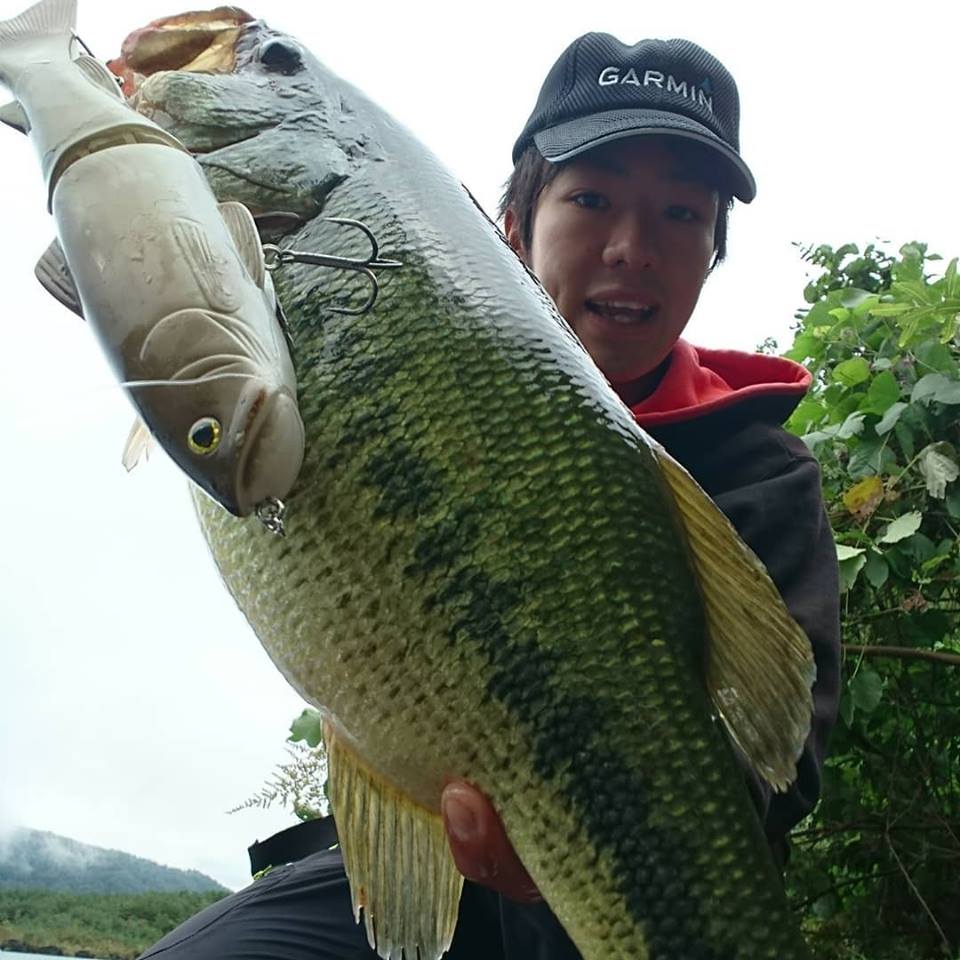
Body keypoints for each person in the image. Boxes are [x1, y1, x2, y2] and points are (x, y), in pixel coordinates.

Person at [139, 33, 840, 960]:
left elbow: (773, 772)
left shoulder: (759, 467)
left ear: (713, 254)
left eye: (681, 215)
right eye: (591, 199)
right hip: (412, 847)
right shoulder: (357, 286)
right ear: (516, 218)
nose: (634, 248)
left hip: (611, 893)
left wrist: (568, 842)